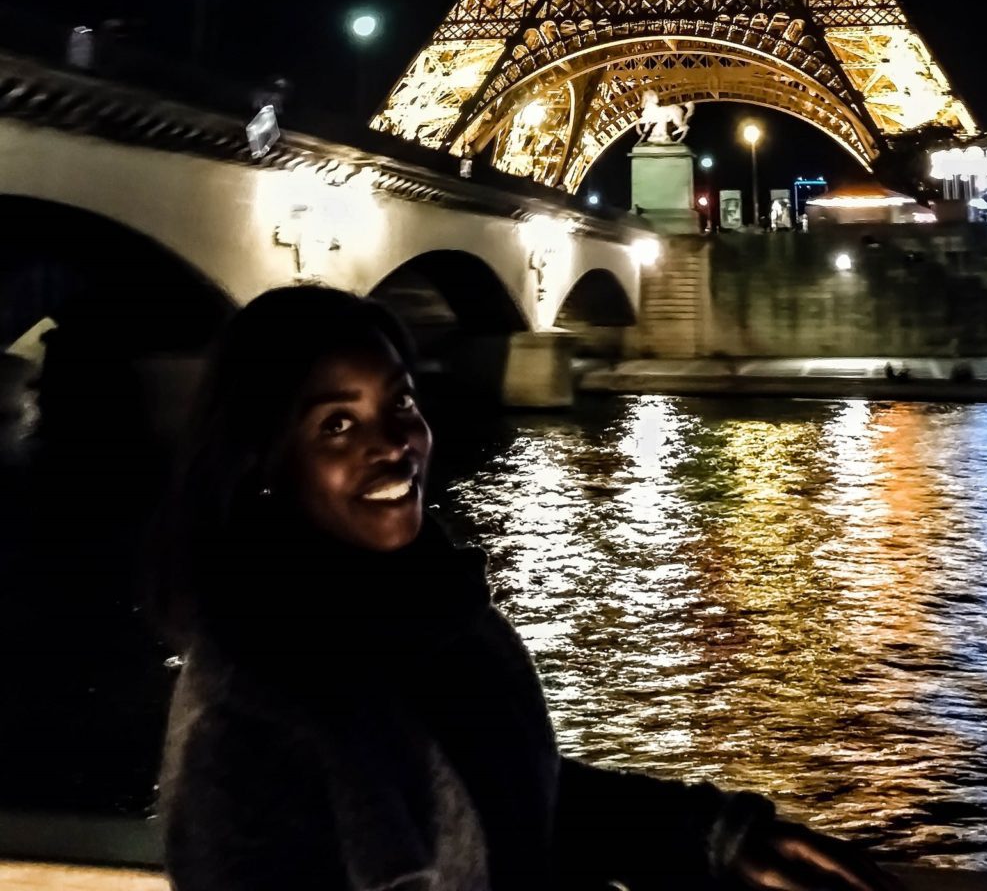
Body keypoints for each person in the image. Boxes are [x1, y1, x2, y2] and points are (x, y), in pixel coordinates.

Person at [155, 285, 903, 891]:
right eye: (336, 426)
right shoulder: (243, 706)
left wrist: (713, 836)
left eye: (401, 404)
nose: (392, 444)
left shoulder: (439, 614)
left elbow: (516, 795)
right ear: (264, 464)